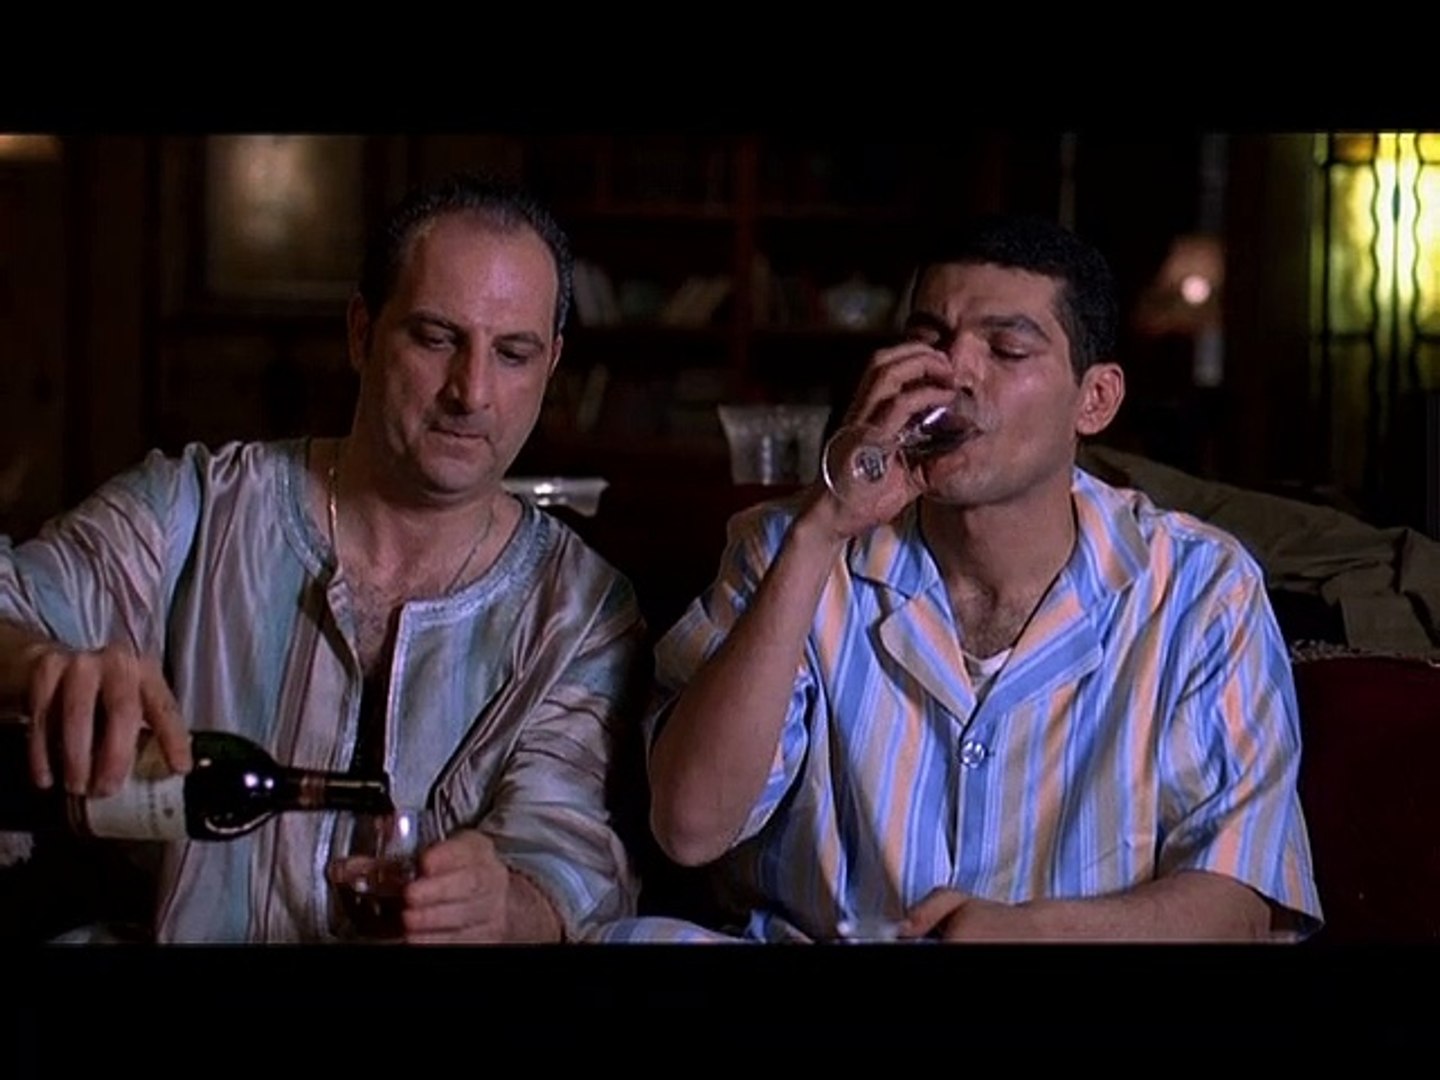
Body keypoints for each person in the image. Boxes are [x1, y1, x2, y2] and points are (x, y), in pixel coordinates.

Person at [619, 213, 1323, 943]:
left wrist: (1031, 935)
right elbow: (690, 828)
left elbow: (1242, 904)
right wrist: (822, 528)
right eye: (928, 340)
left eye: (1006, 349)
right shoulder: (789, 545)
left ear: (1095, 400)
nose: (951, 374)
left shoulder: (1202, 589)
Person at [0, 171, 649, 943]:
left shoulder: (580, 611)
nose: (471, 391)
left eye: (513, 353)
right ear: (361, 333)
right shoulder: (196, 508)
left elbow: (570, 856)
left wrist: (502, 905)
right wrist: (37, 662)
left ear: (551, 365)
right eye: (436, 338)